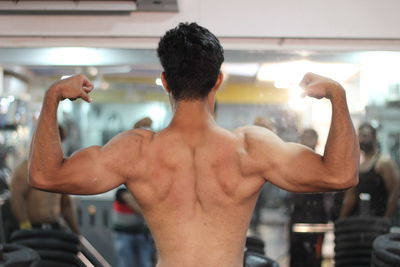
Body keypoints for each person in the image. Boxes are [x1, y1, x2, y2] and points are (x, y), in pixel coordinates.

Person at [28, 23, 359, 267]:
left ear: (166, 81)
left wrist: (52, 97)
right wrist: (337, 96)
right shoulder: (250, 148)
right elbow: (340, 175)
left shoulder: (137, 151)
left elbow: (44, 176)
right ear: (218, 80)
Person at [11, 125, 79, 234]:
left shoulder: (59, 169)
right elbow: (17, 197)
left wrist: (76, 231)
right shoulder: (26, 167)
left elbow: (66, 203)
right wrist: (25, 224)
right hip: (33, 228)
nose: (56, 145)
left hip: (54, 226)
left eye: (59, 141)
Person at [112, 117, 155, 267]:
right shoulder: (123, 175)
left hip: (143, 233)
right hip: (125, 233)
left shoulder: (148, 177)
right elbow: (132, 201)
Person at [287, 128, 329, 267]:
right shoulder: (293, 163)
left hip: (316, 218)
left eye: (310, 137)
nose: (307, 140)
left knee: (314, 257)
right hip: (298, 215)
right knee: (296, 254)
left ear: (316, 141)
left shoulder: (323, 163)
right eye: (304, 137)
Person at [340, 123, 400, 218]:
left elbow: (395, 192)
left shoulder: (384, 163)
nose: (361, 140)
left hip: (379, 218)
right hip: (361, 219)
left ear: (374, 138)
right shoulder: (358, 164)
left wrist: (386, 219)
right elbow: (351, 196)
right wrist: (342, 219)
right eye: (359, 136)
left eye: (365, 136)